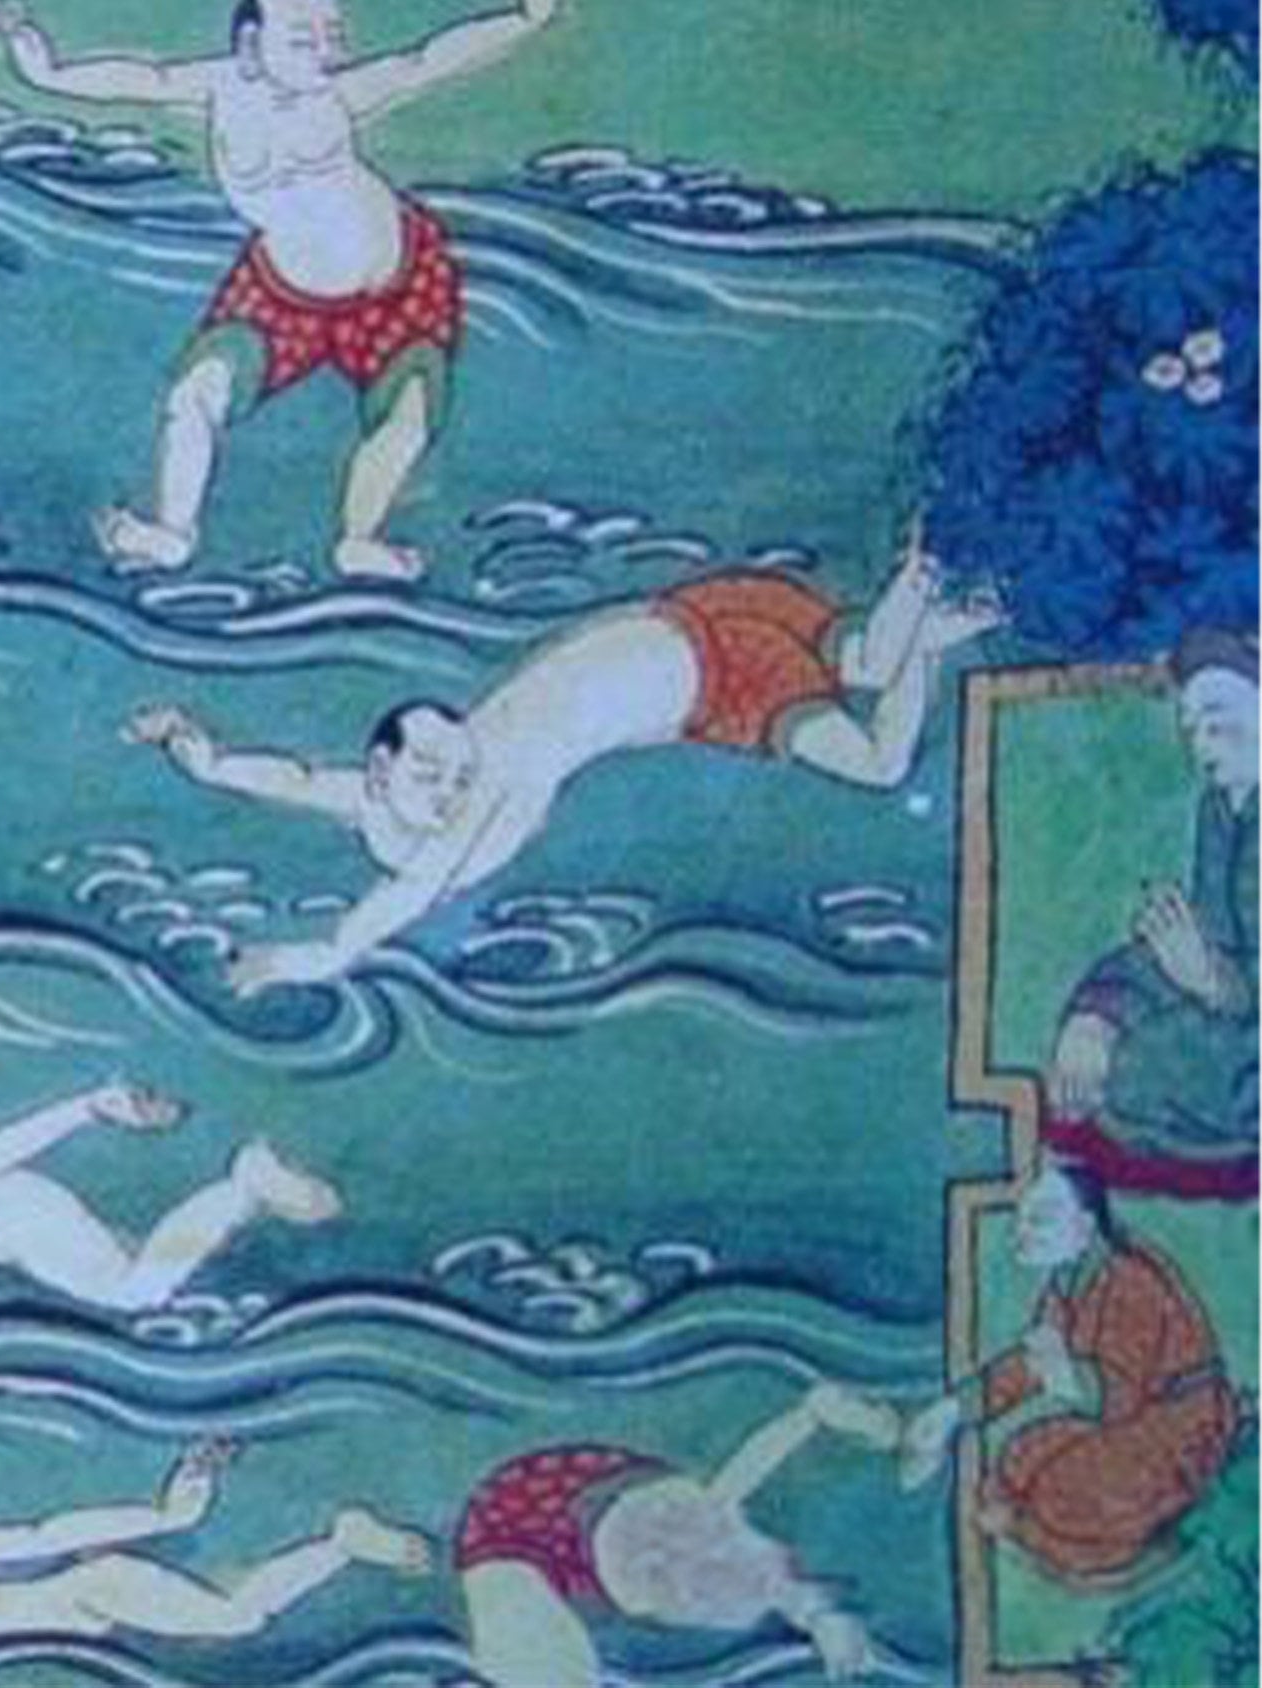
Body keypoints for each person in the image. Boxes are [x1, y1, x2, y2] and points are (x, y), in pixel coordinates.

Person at [128, 535, 1001, 987]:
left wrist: (314, 957)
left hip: (718, 668)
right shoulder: (385, 794)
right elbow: (299, 781)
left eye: (455, 767)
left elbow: (411, 891)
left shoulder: (483, 795)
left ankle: (936, 563)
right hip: (701, 635)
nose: (452, 784)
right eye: (433, 774)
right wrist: (201, 758)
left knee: (876, 705)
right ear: (381, 773)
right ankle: (939, 615)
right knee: (877, 715)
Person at [0, 0, 560, 580]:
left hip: (400, 281)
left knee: (406, 415)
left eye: (334, 35)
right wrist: (36, 56)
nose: (330, 51)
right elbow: (124, 79)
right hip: (281, 292)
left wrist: (527, 18)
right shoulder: (218, 86)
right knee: (194, 395)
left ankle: (360, 538)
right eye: (307, 37)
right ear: (252, 43)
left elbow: (427, 60)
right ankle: (170, 533)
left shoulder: (339, 94)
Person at [896, 1160, 1244, 1585]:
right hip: (1120, 1420)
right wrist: (951, 1412)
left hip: (1179, 1425)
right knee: (1018, 1456)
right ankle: (1042, 1523)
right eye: (1022, 1220)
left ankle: (1128, 1533)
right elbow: (1026, 1368)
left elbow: (1118, 1397)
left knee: (1066, 1496)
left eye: (1039, 1220)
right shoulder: (1067, 1282)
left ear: (1084, 1227)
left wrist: (1061, 1370)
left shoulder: (1132, 1283)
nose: (1021, 1233)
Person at [456, 1382, 900, 1687]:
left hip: (568, 1515)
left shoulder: (734, 1560)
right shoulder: (707, 1522)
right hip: (536, 1514)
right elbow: (762, 1457)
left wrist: (822, 1619)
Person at [1043, 628, 1257, 1193]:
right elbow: (1194, 942)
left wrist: (1216, 984)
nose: (1202, 746)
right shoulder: (1224, 809)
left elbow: (1223, 974)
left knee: (1141, 1075)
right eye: (1191, 730)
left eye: (1218, 721)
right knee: (1106, 1062)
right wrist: (1098, 1015)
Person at [0, 1440, 431, 1650]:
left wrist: (169, 1511)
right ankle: (342, 1544)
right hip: (69, 1614)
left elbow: (47, 1535)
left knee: (236, 1620)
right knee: (237, 1618)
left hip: (88, 1596)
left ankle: (342, 1544)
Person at [0, 1080, 339, 1311]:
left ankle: (243, 1188)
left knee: (133, 1293)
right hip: (9, 1237)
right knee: (141, 1264)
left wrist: (89, 1107)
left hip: (12, 1213)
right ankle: (240, 1196)